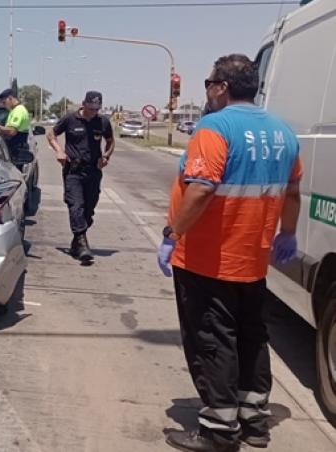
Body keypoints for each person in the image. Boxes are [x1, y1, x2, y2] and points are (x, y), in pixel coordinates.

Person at [158, 54, 302, 452]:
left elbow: (202, 187)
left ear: (221, 86)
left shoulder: (215, 127)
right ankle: (254, 420)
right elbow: (292, 193)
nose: (206, 90)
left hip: (209, 258)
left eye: (208, 83)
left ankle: (219, 429)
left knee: (212, 339)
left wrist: (173, 234)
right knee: (251, 336)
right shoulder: (283, 132)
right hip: (253, 260)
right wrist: (287, 234)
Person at [47, 91, 114, 262]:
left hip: (93, 171)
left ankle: (76, 242)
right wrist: (59, 151)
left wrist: (106, 156)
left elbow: (110, 141)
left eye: (96, 109)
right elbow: (51, 134)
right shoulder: (70, 119)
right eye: (91, 108)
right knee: (76, 205)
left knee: (88, 210)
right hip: (73, 170)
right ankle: (83, 244)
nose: (93, 112)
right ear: (83, 104)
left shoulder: (103, 121)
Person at [0, 89, 32, 164]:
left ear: (10, 98)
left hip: (17, 151)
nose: (4, 105)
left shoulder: (18, 111)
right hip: (13, 150)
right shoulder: (13, 111)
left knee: (15, 174)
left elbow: (11, 131)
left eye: (4, 102)